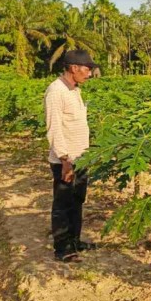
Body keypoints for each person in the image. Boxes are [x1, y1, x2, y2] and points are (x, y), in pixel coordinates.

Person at [44, 50, 98, 262]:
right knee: (62, 204)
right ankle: (62, 249)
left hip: (81, 158)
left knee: (77, 201)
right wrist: (65, 161)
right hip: (65, 161)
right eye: (87, 69)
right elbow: (54, 128)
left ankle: (75, 241)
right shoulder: (56, 91)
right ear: (74, 68)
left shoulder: (74, 90)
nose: (90, 74)